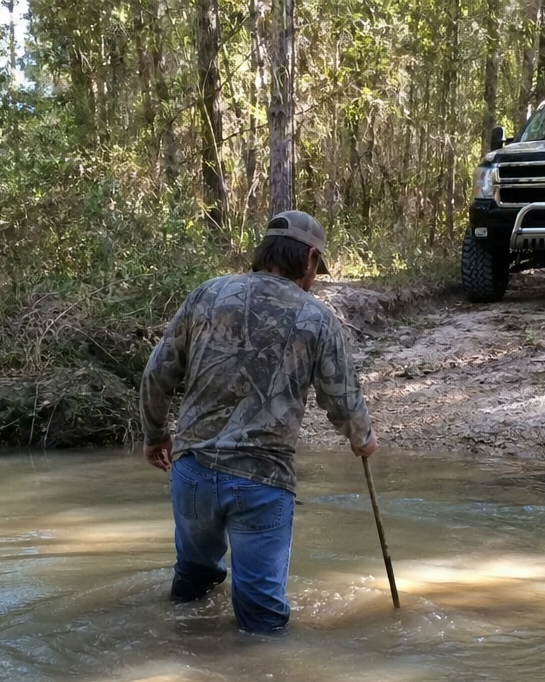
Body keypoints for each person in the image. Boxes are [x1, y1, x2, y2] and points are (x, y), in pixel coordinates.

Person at [139, 210, 378, 634]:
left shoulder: (208, 295)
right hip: (262, 482)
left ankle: (180, 658)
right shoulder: (316, 317)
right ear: (308, 259)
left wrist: (155, 434)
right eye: (316, 269)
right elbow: (341, 396)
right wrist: (362, 439)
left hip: (192, 471)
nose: (315, 278)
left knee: (192, 584)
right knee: (262, 618)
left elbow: (158, 373)